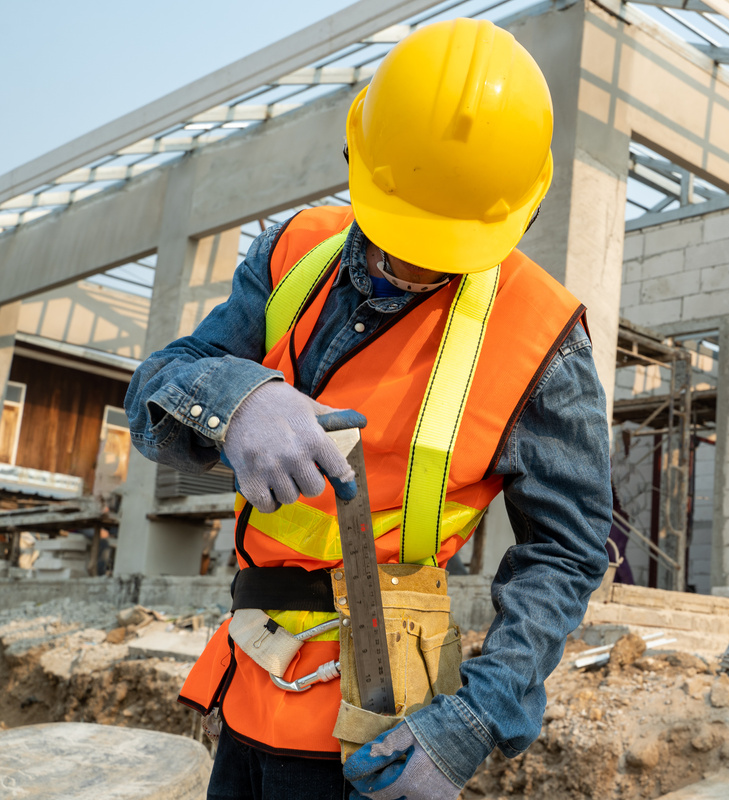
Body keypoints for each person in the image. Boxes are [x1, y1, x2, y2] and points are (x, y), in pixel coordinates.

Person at [125, 19, 611, 800]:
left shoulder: (543, 339)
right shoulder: (292, 253)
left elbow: (569, 549)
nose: (414, 263)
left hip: (378, 728)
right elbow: (156, 385)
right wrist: (234, 399)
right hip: (251, 680)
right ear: (357, 161)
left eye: (443, 246)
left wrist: (477, 717)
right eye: (400, 233)